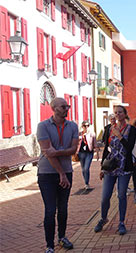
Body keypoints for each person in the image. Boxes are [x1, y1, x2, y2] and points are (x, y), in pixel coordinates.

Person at [37, 98, 79, 252]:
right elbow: (48, 153)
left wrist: (58, 152)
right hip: (47, 174)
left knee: (63, 208)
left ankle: (62, 237)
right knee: (50, 210)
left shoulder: (73, 126)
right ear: (54, 108)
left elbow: (73, 150)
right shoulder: (43, 126)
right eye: (63, 106)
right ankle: (49, 245)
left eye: (67, 106)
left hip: (67, 171)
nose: (66, 108)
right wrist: (61, 173)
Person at [94, 105, 136, 235]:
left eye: (120, 112)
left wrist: (120, 136)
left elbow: (129, 147)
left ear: (125, 114)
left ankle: (121, 222)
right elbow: (106, 148)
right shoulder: (109, 129)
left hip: (124, 167)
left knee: (121, 195)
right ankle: (103, 218)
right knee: (105, 196)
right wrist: (102, 167)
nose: (117, 115)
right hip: (110, 166)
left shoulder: (131, 129)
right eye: (115, 113)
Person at [76, 120, 97, 190]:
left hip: (89, 153)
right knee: (83, 169)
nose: (86, 127)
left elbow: (95, 143)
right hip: (81, 153)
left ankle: (87, 183)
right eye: (85, 126)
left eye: (88, 125)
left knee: (86, 168)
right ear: (82, 126)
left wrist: (97, 153)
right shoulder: (79, 134)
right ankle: (86, 182)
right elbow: (75, 143)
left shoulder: (91, 134)